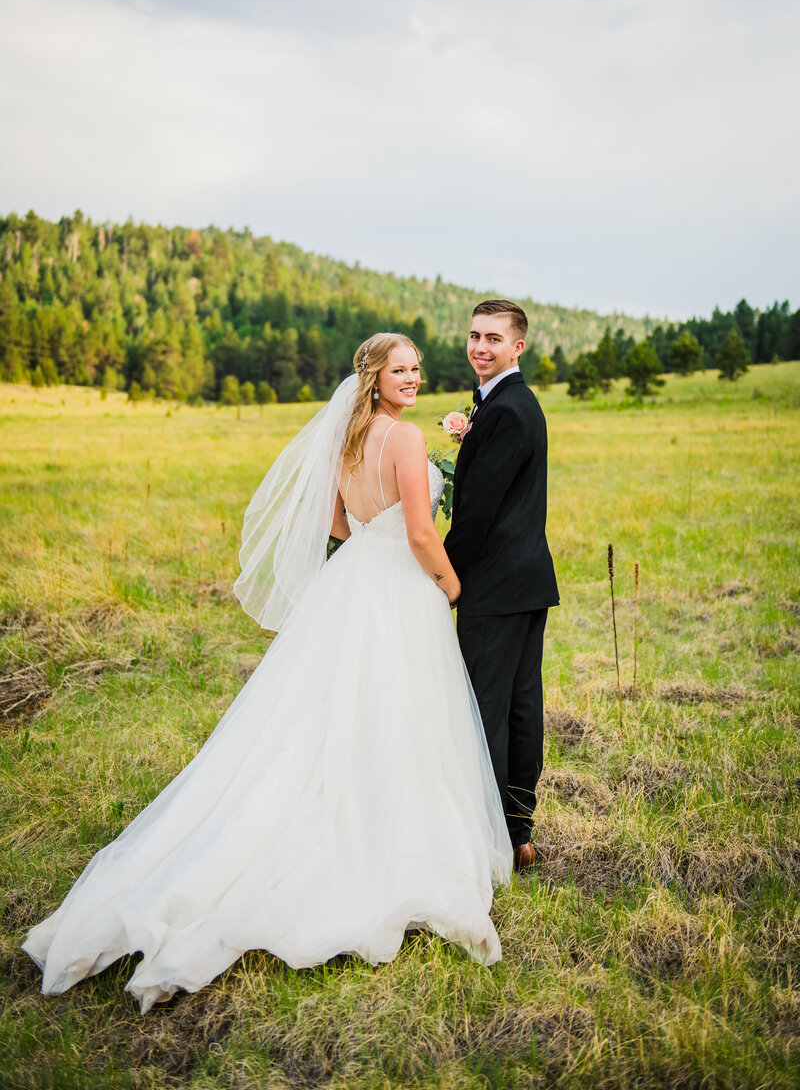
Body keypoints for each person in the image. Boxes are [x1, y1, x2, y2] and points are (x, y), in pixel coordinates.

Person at [22, 333, 512, 1014]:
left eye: (417, 370)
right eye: (401, 370)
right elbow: (423, 534)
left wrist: (370, 539)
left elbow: (331, 521)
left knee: (325, 711)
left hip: (351, 582)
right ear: (374, 376)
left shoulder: (345, 436)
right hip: (399, 584)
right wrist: (451, 588)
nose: (413, 379)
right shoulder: (400, 439)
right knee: (399, 708)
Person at [444, 301, 559, 870]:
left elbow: (477, 513)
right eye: (473, 336)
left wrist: (441, 574)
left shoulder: (509, 410)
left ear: (518, 347)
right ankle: (517, 834)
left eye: (493, 338)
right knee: (518, 707)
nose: (479, 347)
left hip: (494, 585)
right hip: (522, 583)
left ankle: (492, 840)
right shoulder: (503, 404)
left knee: (486, 710)